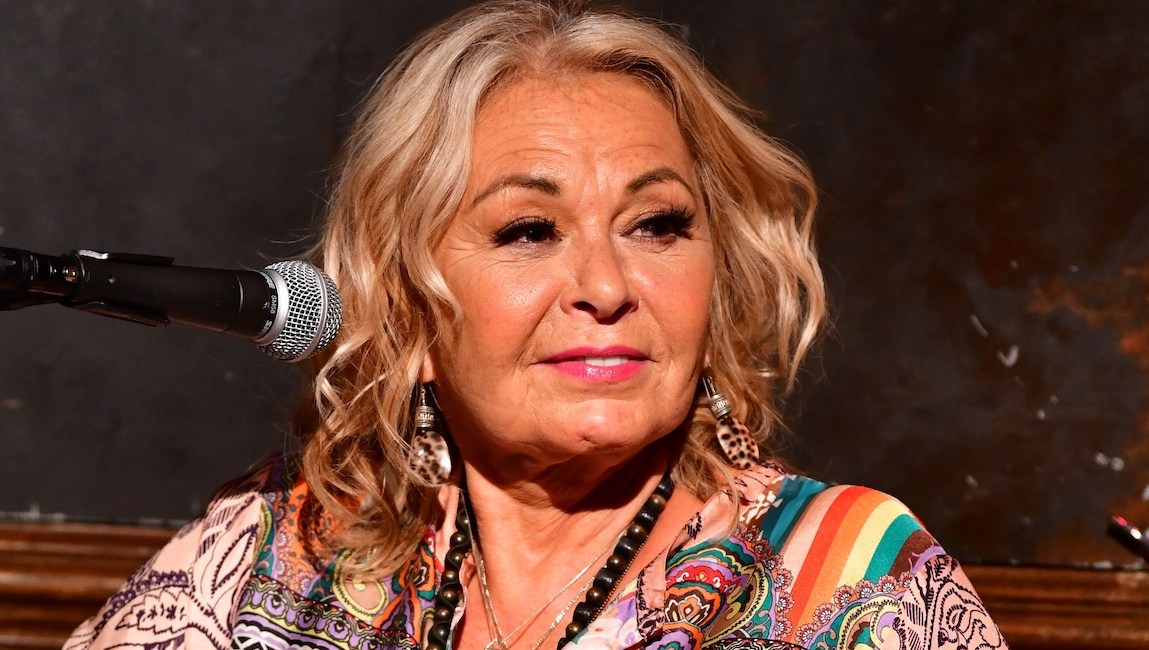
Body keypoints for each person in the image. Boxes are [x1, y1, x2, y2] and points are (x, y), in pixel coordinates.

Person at [66, 1, 1008, 649]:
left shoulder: (845, 577)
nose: (605, 285)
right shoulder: (285, 545)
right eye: (528, 231)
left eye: (656, 225)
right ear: (405, 303)